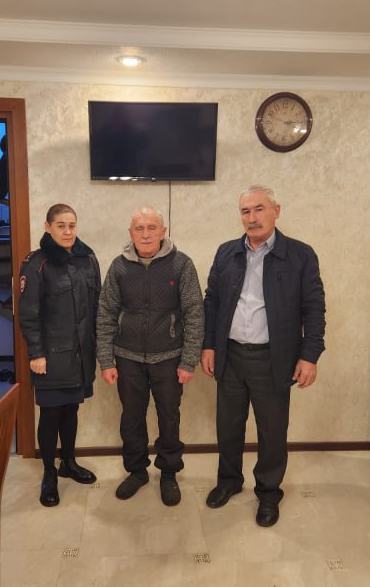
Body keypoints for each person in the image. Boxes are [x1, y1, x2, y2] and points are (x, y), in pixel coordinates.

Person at [201, 185, 326, 527]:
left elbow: (314, 308)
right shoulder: (227, 252)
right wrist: (209, 345)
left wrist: (309, 355)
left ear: (276, 211)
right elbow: (212, 302)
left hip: (273, 359)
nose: (252, 217)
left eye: (259, 209)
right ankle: (229, 481)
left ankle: (269, 492)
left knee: (272, 431)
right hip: (230, 355)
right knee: (228, 426)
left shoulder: (300, 255)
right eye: (245, 211)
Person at [97, 206, 204, 506]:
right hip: (127, 357)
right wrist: (106, 360)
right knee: (131, 419)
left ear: (163, 231)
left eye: (151, 227)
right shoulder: (119, 267)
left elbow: (195, 313)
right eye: (139, 228)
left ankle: (169, 473)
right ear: (130, 233)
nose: (145, 234)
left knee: (169, 417)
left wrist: (189, 360)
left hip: (170, 358)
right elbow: (105, 313)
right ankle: (137, 471)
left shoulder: (181, 265)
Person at [18, 203, 100, 507]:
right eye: (61, 225)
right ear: (48, 227)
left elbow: (97, 306)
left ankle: (69, 462)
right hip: (50, 357)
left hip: (80, 355)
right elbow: (28, 314)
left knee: (71, 411)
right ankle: (49, 472)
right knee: (51, 414)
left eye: (72, 225)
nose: (67, 231)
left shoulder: (88, 259)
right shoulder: (36, 263)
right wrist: (36, 354)